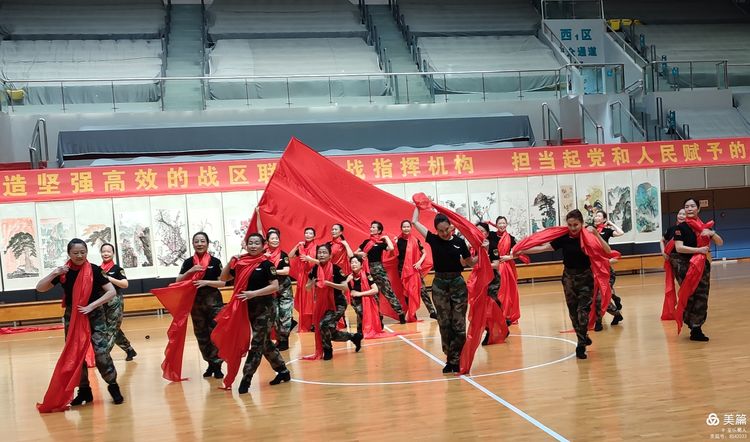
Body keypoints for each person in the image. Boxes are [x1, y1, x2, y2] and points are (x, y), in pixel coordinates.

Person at [512, 210, 614, 360]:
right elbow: (544, 247)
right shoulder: (564, 237)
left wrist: (597, 235)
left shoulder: (588, 235)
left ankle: (581, 344)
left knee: (582, 311)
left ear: (582, 223)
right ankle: (583, 336)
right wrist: (521, 250)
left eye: (576, 225)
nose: (573, 228)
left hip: (586, 278)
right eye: (570, 225)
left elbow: (608, 251)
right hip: (568, 278)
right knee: (573, 312)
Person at [36, 239, 123, 410]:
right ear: (69, 254)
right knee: (76, 354)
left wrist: (91, 305)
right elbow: (40, 288)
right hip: (73, 315)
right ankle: (84, 390)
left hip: (95, 315)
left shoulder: (95, 270)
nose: (80, 255)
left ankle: (113, 386)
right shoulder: (64, 272)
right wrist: (54, 273)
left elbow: (111, 292)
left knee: (101, 353)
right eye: (75, 253)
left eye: (83, 252)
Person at [221, 233, 291, 394]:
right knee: (265, 342)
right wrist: (230, 261)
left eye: (256, 243)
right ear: (246, 245)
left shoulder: (266, 264)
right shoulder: (240, 262)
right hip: (247, 308)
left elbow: (274, 287)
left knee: (257, 343)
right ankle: (283, 371)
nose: (253, 246)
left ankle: (246, 379)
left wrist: (254, 293)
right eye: (250, 243)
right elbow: (224, 277)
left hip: (266, 309)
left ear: (262, 245)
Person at [411, 208, 474, 374]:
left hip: (458, 284)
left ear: (451, 227)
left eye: (447, 229)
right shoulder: (433, 239)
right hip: (439, 284)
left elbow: (471, 263)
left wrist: (482, 251)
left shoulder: (460, 243)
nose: (445, 233)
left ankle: (456, 359)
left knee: (458, 324)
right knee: (444, 324)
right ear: (435, 230)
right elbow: (414, 222)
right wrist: (418, 206)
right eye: (441, 231)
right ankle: (450, 358)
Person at [176, 232, 226, 378]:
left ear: (207, 243)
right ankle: (210, 363)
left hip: (214, 302)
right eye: (196, 241)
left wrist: (206, 282)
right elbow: (178, 280)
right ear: (192, 244)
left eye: (202, 241)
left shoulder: (215, 262)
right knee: (201, 335)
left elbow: (222, 283)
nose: (199, 244)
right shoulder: (188, 262)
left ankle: (217, 365)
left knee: (215, 334)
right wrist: (190, 271)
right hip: (195, 303)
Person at [673, 197, 723, 341]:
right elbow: (679, 247)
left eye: (692, 206)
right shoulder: (680, 228)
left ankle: (696, 328)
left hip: (702, 266)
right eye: (686, 206)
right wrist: (699, 250)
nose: (689, 209)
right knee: (689, 295)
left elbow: (720, 242)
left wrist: (712, 234)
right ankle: (689, 320)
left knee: (702, 296)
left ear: (698, 209)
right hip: (685, 265)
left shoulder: (705, 227)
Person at [307, 244, 363, 360]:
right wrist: (310, 284)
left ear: (330, 255)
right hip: (322, 304)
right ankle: (354, 337)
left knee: (323, 325)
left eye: (324, 252)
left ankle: (328, 350)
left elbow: (345, 288)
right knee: (330, 332)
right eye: (320, 252)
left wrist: (328, 283)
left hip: (338, 304)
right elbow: (307, 287)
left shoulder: (336, 269)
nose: (321, 255)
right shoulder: (314, 269)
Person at [356, 221, 406, 324]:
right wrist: (362, 254)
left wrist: (386, 238)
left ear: (379, 230)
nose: (371, 229)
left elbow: (391, 248)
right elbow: (355, 253)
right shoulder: (366, 242)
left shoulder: (381, 243)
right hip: (368, 270)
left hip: (379, 269)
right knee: (374, 295)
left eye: (374, 227)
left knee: (388, 292)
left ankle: (400, 313)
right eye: (371, 227)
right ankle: (378, 316)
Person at [99, 243, 137, 361]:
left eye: (108, 251)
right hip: (102, 302)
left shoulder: (117, 269)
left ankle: (104, 356)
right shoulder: (98, 269)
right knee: (113, 328)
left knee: (111, 329)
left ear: (113, 254)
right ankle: (129, 349)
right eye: (104, 251)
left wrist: (109, 278)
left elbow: (125, 284)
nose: (106, 253)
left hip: (115, 302)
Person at [395, 220, 437, 320]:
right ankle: (412, 313)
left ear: (411, 228)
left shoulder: (415, 240)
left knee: (422, 290)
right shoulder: (397, 241)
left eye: (408, 226)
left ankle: (432, 311)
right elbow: (392, 255)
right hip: (402, 270)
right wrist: (393, 244)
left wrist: (419, 262)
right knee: (406, 292)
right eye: (404, 227)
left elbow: (424, 253)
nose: (406, 228)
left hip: (414, 269)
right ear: (401, 228)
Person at [475, 222, 507, 345]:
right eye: (477, 231)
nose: (480, 233)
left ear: (487, 233)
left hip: (492, 279)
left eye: (482, 231)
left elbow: (496, 264)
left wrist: (483, 265)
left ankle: (494, 330)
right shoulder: (475, 246)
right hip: (480, 280)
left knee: (491, 305)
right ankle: (497, 328)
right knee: (482, 307)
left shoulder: (492, 245)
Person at [592, 210, 624, 330]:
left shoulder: (607, 231)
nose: (597, 217)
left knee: (601, 296)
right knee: (596, 296)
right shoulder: (589, 230)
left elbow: (621, 232)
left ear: (604, 219)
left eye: (600, 216)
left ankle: (598, 322)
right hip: (593, 269)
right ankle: (617, 313)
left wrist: (611, 223)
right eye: (596, 215)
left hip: (606, 270)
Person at [264, 229, 294, 351]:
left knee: (285, 314)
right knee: (274, 315)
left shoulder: (283, 255)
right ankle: (278, 339)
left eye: (277, 238)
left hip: (284, 288)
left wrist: (271, 271)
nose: (275, 240)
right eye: (272, 238)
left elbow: (286, 271)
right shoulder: (263, 255)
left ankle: (284, 340)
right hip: (270, 288)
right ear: (267, 241)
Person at [493, 216, 523, 325]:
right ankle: (497, 315)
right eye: (499, 223)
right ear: (496, 224)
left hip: (507, 268)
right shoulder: (492, 236)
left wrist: (508, 257)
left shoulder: (510, 238)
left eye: (503, 223)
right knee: (497, 291)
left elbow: (518, 253)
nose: (502, 225)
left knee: (508, 292)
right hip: (495, 267)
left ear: (506, 224)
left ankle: (508, 315)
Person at [288, 227, 318, 332]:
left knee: (313, 301)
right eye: (306, 233)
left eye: (310, 233)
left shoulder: (317, 248)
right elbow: (290, 256)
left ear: (314, 236)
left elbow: (321, 262)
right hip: (302, 277)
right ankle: (306, 324)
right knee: (304, 301)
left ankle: (315, 323)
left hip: (313, 276)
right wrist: (296, 246)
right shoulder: (300, 247)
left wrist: (309, 259)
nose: (308, 235)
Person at [659, 208, 687, 320]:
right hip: (674, 261)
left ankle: (685, 309)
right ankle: (680, 309)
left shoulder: (689, 229)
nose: (681, 216)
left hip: (686, 260)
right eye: (680, 213)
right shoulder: (671, 229)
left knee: (686, 286)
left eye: (684, 214)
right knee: (676, 285)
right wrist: (663, 252)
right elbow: (661, 240)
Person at [346, 255, 379, 334]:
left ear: (361, 265)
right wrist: (346, 281)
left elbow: (375, 290)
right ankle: (360, 325)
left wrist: (359, 294)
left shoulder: (367, 275)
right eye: (352, 263)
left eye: (356, 262)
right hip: (356, 303)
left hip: (368, 301)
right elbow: (342, 290)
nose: (353, 264)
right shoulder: (349, 277)